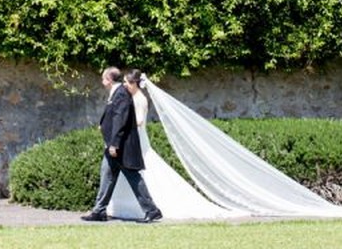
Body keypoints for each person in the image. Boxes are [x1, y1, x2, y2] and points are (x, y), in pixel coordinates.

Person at [107, 69, 237, 220]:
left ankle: (149, 207)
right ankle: (124, 205)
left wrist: (123, 123)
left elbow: (140, 120)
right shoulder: (130, 97)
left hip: (138, 139)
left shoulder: (140, 99)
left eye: (127, 82)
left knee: (138, 172)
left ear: (135, 84)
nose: (124, 85)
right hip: (132, 139)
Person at [81, 66, 163, 223]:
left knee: (133, 176)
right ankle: (99, 211)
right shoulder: (118, 93)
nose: (101, 81)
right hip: (113, 145)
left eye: (103, 78)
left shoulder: (121, 94)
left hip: (120, 146)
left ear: (109, 79)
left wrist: (114, 144)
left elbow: (120, 120)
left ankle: (152, 210)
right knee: (107, 175)